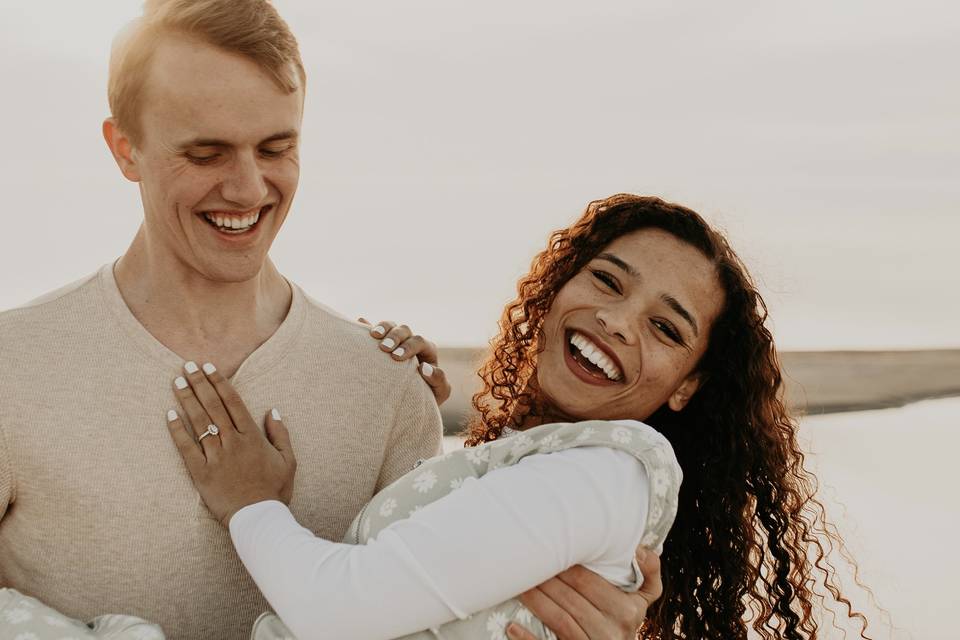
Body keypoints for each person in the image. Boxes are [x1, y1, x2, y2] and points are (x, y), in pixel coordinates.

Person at [0, 2, 657, 639]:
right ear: (124, 149)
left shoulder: (386, 388)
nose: (251, 188)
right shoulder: (13, 367)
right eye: (206, 154)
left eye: (276, 147)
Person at [163, 194, 876, 639]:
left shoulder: (602, 479)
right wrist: (406, 402)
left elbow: (337, 612)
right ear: (558, 284)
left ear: (687, 388)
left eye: (667, 329)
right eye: (606, 280)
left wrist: (251, 504)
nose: (617, 321)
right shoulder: (549, 461)